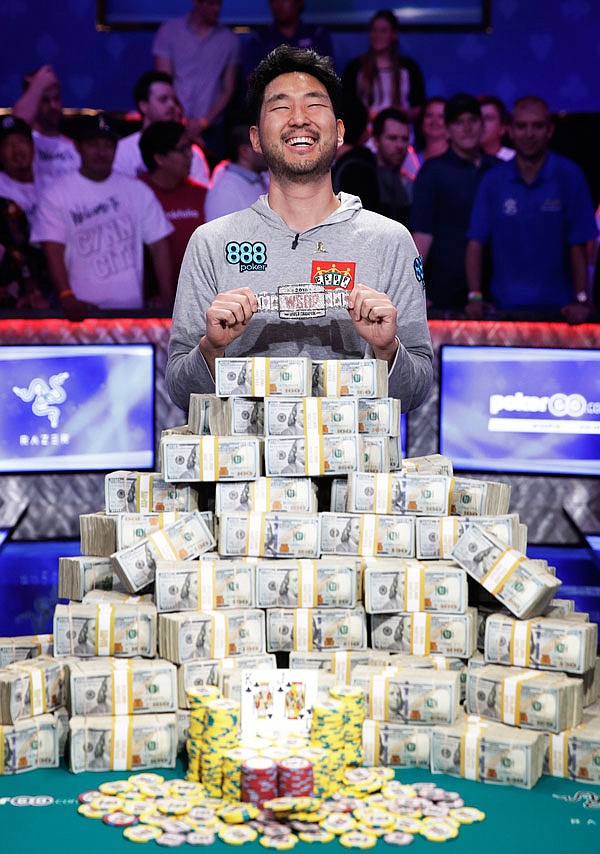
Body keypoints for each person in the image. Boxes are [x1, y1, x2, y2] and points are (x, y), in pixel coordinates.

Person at [166, 46, 433, 414]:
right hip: (248, 470)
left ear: (339, 132)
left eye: (314, 104)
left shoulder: (391, 241)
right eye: (280, 106)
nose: (298, 119)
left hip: (355, 469)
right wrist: (211, 350)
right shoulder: (211, 243)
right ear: (256, 139)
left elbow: (417, 389)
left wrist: (387, 351)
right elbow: (180, 391)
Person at [466, 96, 597, 323]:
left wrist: (582, 298)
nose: (529, 134)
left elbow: (580, 244)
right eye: (521, 126)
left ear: (550, 130)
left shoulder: (569, 175)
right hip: (502, 308)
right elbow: (476, 242)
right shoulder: (493, 180)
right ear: (510, 130)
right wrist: (475, 296)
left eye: (537, 126)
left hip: (561, 311)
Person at [31, 113, 174, 321]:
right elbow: (53, 249)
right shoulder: (56, 193)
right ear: (78, 147)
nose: (101, 151)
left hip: (133, 313)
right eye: (93, 144)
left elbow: (159, 244)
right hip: (80, 313)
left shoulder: (136, 190)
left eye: (108, 145)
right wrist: (66, 296)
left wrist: (167, 298)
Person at [410, 93, 498, 314]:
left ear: (482, 125)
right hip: (445, 291)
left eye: (472, 121)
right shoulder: (433, 172)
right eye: (459, 122)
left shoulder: (500, 170)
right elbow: (421, 237)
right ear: (447, 130)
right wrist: (412, 291)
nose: (466, 128)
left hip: (497, 289)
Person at [152, 0, 241, 156]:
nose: (217, 9)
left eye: (219, 4)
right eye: (212, 4)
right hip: (173, 123)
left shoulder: (229, 40)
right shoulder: (169, 31)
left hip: (212, 128)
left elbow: (228, 89)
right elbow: (164, 82)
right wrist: (182, 121)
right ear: (197, 3)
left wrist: (202, 123)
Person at [138, 120, 207, 301]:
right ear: (159, 158)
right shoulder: (136, 194)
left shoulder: (202, 195)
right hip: (147, 305)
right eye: (183, 149)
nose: (191, 156)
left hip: (197, 300)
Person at [113, 70, 210, 186]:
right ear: (143, 106)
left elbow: (200, 198)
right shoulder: (122, 152)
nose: (172, 105)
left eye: (174, 100)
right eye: (163, 99)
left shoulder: (192, 154)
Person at [342, 10, 425, 131]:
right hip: (367, 135)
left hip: (401, 134)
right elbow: (346, 105)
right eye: (373, 30)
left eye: (383, 31)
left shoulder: (408, 67)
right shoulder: (355, 67)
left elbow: (419, 107)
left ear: (394, 34)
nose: (377, 35)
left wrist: (399, 113)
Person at [12, 65, 81, 190]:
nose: (53, 106)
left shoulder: (76, 148)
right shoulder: (21, 145)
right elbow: (16, 122)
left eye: (56, 99)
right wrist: (38, 86)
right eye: (45, 100)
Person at [244, 0, 334, 75]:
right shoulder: (259, 38)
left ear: (299, 2)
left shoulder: (317, 34)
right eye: (274, 0)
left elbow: (327, 73)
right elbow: (252, 80)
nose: (279, 5)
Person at [204, 124, 268, 221]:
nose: (270, 151)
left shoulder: (264, 180)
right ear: (245, 151)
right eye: (262, 145)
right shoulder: (224, 191)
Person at [371, 107, 413, 225]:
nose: (400, 145)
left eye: (404, 139)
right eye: (392, 138)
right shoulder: (364, 180)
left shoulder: (410, 184)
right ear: (376, 140)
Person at [0, 116, 38, 225]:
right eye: (7, 144)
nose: (16, 149)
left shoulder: (51, 181)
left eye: (21, 141)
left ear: (32, 145)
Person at [478, 95, 515, 161]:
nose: (481, 123)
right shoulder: (464, 161)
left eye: (488, 118)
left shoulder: (516, 160)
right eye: (477, 118)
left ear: (502, 128)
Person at [414, 97, 448, 164]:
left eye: (441, 116)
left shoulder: (460, 159)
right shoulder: (411, 159)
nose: (434, 121)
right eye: (429, 116)